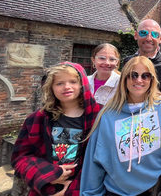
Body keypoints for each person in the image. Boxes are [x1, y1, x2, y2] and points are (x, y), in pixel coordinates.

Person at [80, 56, 161, 196]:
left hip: (153, 189)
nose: (139, 80)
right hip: (115, 190)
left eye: (145, 76)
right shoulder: (108, 114)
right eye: (133, 75)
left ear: (152, 79)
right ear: (124, 79)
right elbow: (95, 159)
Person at [11, 62, 102, 196]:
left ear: (82, 84)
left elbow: (104, 160)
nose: (67, 87)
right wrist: (49, 174)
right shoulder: (37, 119)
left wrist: (72, 189)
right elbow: (20, 157)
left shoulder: (99, 117)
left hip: (83, 188)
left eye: (73, 81)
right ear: (51, 87)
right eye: (59, 83)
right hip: (46, 188)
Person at [123, 19, 161, 94]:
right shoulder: (127, 62)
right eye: (143, 33)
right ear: (136, 35)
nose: (149, 38)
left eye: (154, 34)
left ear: (160, 39)